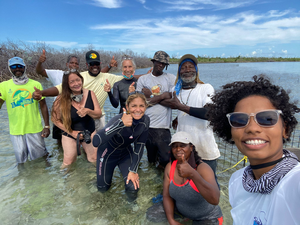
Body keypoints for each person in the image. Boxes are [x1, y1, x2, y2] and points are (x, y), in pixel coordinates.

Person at [207, 75, 300, 225]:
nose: (252, 128)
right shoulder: (236, 181)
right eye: (239, 120)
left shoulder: (294, 183)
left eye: (267, 118)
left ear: (286, 129)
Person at [34, 50, 122, 131]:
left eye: (97, 64)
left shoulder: (108, 77)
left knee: (99, 144)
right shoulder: (79, 77)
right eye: (92, 64)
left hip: (99, 116)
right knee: (76, 141)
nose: (94, 66)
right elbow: (60, 88)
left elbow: (127, 78)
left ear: (100, 64)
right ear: (87, 65)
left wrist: (130, 74)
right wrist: (42, 93)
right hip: (80, 117)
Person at [146, 131, 223, 224]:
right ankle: (183, 218)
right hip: (181, 211)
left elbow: (215, 200)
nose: (178, 149)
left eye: (182, 145)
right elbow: (166, 195)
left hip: (207, 216)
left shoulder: (202, 168)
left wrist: (192, 174)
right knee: (152, 214)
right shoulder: (170, 167)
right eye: (175, 146)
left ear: (191, 148)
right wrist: (171, 220)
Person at [166, 54, 220, 175]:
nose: (187, 70)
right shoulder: (176, 90)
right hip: (183, 149)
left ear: (196, 70)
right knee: (185, 184)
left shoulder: (206, 88)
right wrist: (178, 117)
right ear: (179, 72)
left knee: (209, 186)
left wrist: (180, 107)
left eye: (191, 67)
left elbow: (209, 113)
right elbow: (185, 105)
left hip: (205, 149)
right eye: (184, 67)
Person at [92, 92, 150, 201]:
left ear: (146, 106)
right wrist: (120, 124)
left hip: (125, 154)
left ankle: (130, 212)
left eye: (141, 106)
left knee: (133, 187)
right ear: (127, 107)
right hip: (106, 155)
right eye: (134, 106)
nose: (138, 110)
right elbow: (96, 141)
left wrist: (133, 171)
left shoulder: (145, 121)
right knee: (103, 189)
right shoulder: (117, 119)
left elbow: (140, 146)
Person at [0, 57, 50, 164]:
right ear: (10, 68)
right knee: (21, 163)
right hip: (16, 130)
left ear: (24, 67)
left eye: (20, 66)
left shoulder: (36, 84)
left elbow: (44, 106)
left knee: (40, 160)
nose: (17, 69)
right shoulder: (3, 86)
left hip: (35, 128)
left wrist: (46, 126)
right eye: (14, 66)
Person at [51, 70, 102, 167]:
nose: (76, 84)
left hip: (89, 131)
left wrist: (88, 111)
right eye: (72, 82)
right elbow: (55, 119)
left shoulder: (91, 94)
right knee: (68, 162)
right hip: (69, 133)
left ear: (81, 79)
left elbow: (98, 114)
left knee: (94, 159)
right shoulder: (60, 99)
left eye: (78, 80)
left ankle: (94, 179)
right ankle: (64, 181)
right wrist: (72, 133)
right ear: (67, 84)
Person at [136, 50, 176, 168]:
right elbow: (140, 104)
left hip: (163, 127)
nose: (161, 65)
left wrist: (151, 96)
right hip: (146, 125)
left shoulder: (171, 78)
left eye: (164, 64)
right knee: (151, 159)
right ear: (153, 62)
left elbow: (173, 103)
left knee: (166, 159)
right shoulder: (143, 80)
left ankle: (163, 181)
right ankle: (153, 181)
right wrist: (164, 96)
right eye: (158, 62)